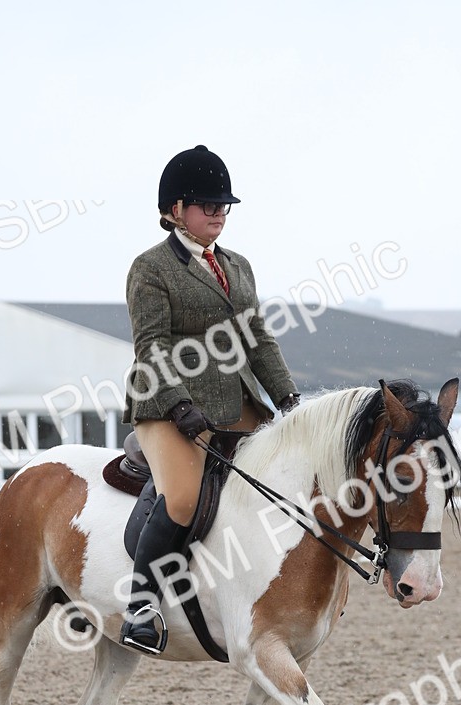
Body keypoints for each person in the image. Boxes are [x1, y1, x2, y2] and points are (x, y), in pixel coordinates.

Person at [120, 144, 300, 654]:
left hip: (233, 398)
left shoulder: (238, 266)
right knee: (181, 498)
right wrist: (178, 403)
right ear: (175, 210)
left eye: (224, 206)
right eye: (207, 205)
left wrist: (287, 396)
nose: (219, 214)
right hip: (165, 403)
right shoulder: (150, 268)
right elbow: (150, 345)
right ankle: (141, 607)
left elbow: (258, 337)